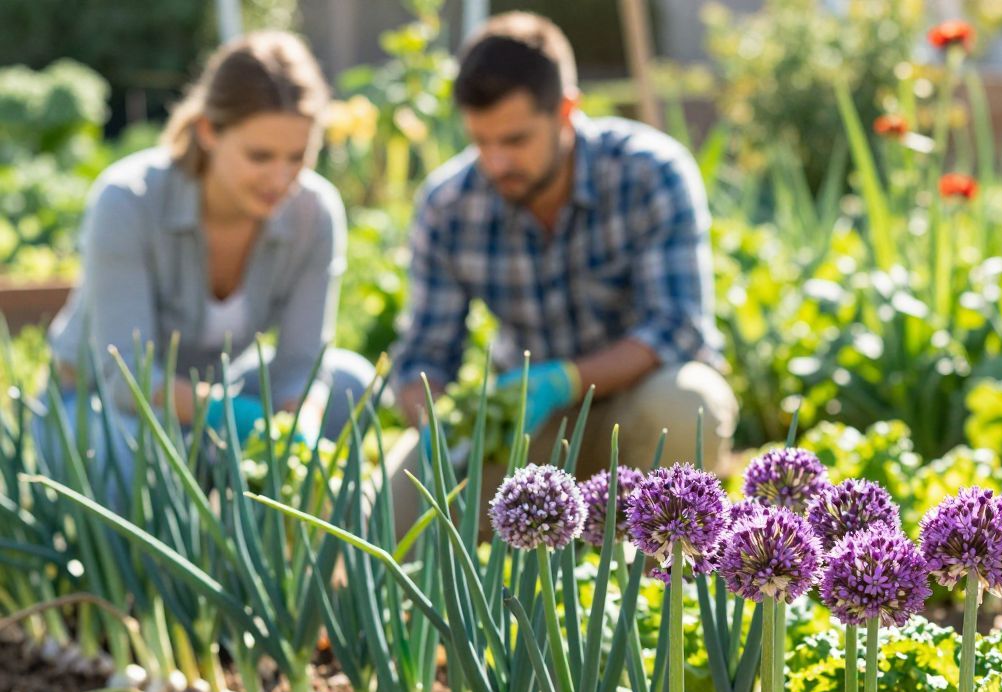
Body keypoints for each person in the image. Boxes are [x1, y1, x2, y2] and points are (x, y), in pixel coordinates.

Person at [384, 11, 737, 503]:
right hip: (532, 428)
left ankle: (661, 567)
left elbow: (678, 327)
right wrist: (440, 414)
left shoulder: (648, 172)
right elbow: (425, 354)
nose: (496, 162)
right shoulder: (449, 205)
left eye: (515, 140)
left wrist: (566, 380)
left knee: (687, 403)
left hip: (639, 405)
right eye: (481, 142)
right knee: (394, 509)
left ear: (566, 111)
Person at [47, 30, 371, 472]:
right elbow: (126, 381)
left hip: (215, 389)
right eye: (259, 156)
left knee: (350, 383)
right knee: (130, 452)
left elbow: (302, 363)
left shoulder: (313, 212)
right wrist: (235, 417)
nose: (281, 179)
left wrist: (302, 424)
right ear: (208, 131)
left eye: (298, 155)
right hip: (99, 406)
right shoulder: (127, 201)